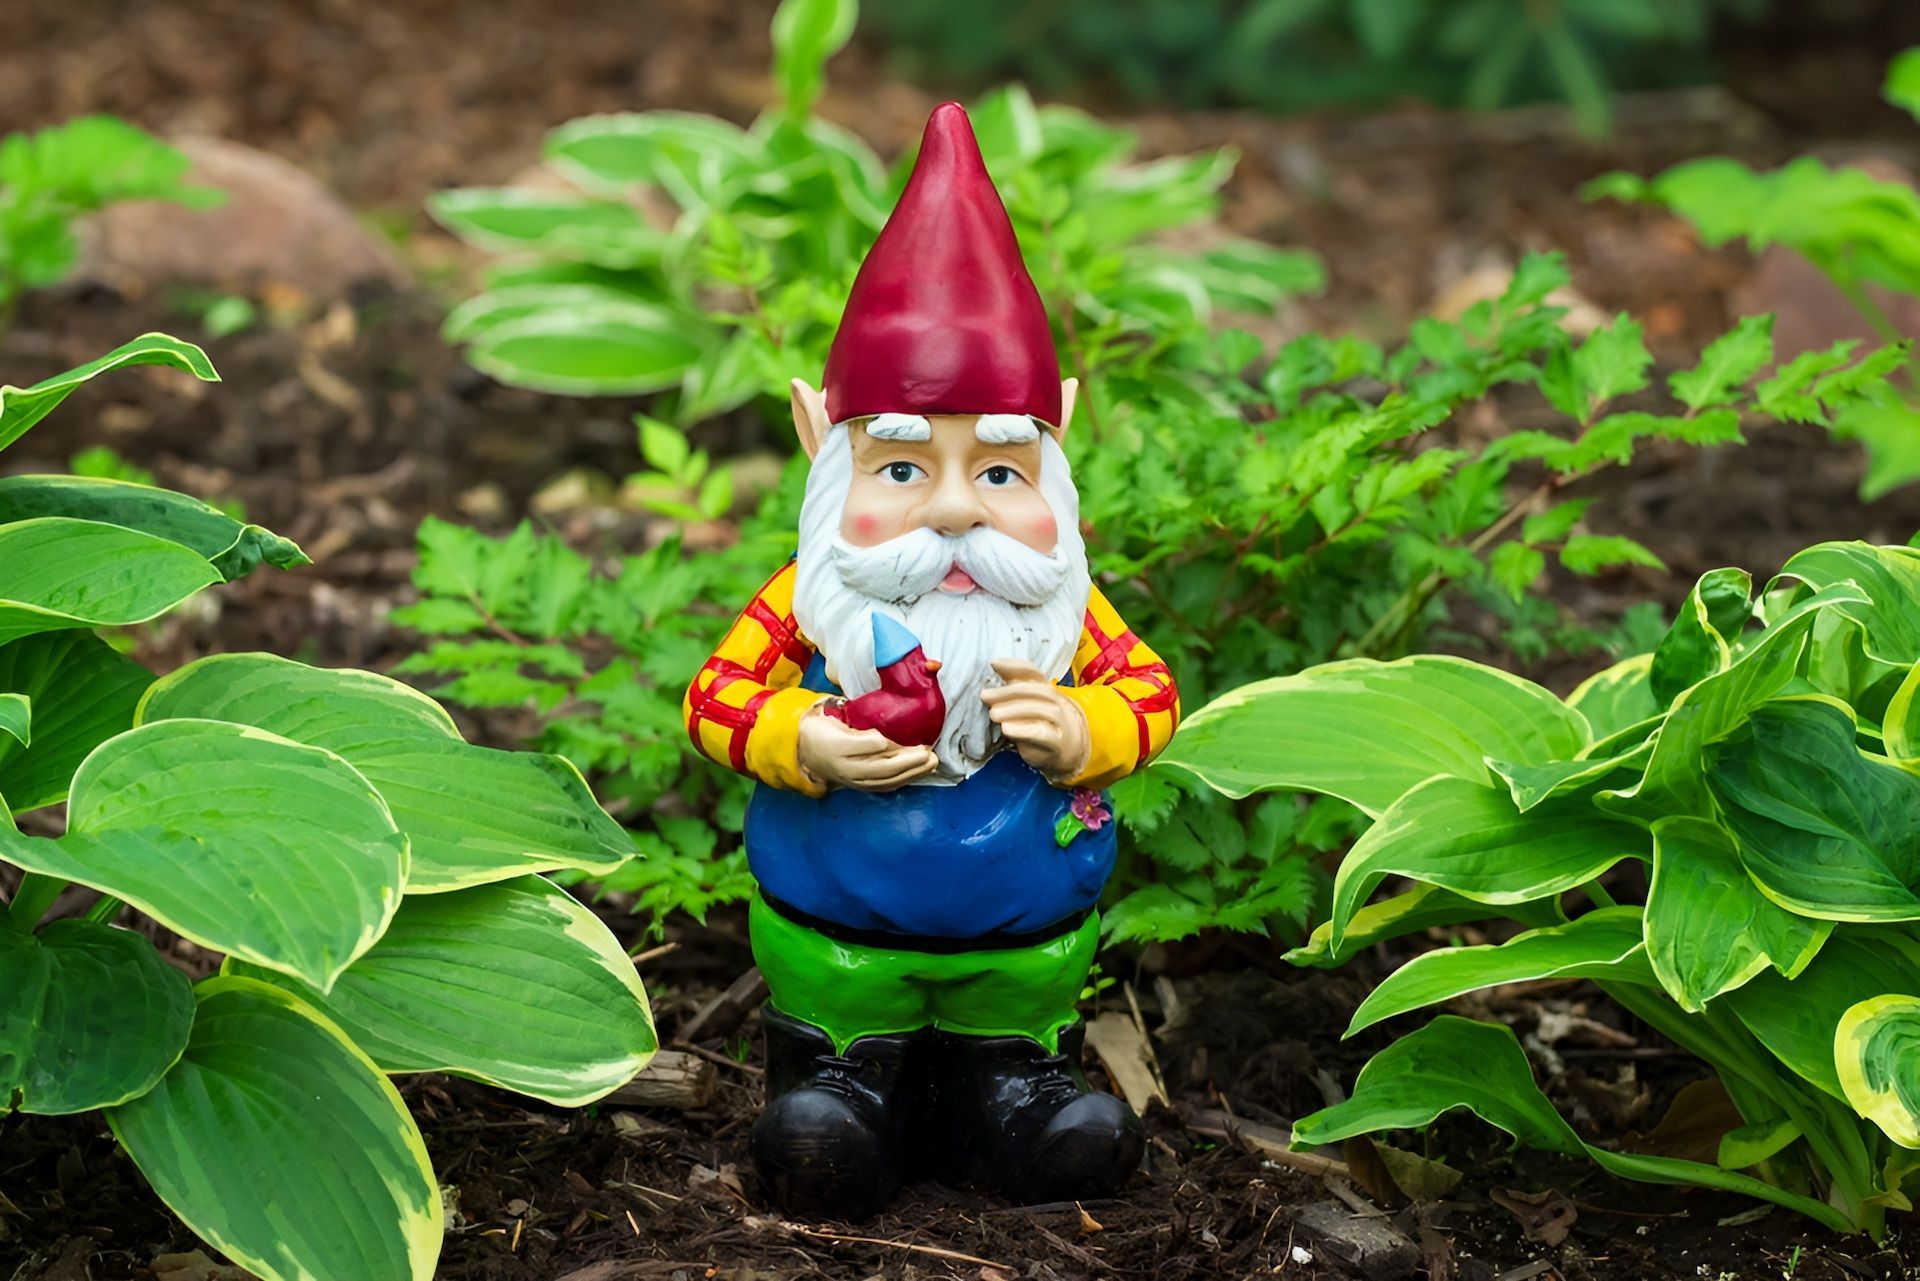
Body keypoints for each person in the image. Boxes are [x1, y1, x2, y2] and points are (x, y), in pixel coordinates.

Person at [685, 101, 1179, 1218]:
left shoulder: (1071, 612)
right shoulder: (804, 608)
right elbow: (714, 699)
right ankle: (842, 1095)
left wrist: (1091, 731)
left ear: (1058, 443)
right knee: (833, 1090)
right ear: (824, 446)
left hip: (1024, 948)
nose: (956, 513)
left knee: (1016, 1059)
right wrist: (799, 739)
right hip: (837, 945)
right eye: (902, 472)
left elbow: (1151, 694)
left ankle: (1013, 1097)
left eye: (1000, 473)